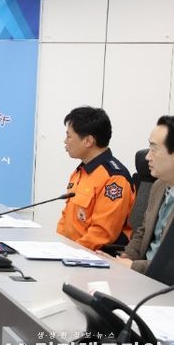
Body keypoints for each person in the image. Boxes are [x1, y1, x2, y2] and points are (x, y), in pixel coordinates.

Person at [56, 106, 135, 250]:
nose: (65, 141)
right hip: (71, 252)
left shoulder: (114, 178)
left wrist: (69, 252)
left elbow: (102, 234)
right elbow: (66, 219)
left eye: (69, 136)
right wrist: (57, 244)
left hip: (93, 255)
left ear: (88, 141)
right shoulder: (80, 172)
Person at [116, 115, 174, 273]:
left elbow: (173, 266)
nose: (147, 157)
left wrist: (132, 266)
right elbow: (143, 232)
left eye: (154, 150)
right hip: (142, 276)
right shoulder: (158, 186)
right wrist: (124, 259)